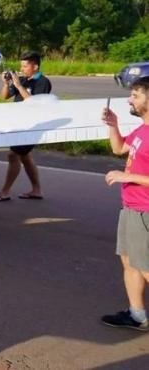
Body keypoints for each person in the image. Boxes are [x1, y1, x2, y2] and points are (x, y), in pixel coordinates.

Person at [102, 77, 149, 331]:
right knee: (129, 262)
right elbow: (119, 148)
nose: (130, 100)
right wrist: (113, 125)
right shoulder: (142, 130)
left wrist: (127, 176)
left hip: (146, 211)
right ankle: (137, 315)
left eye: (136, 95)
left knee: (145, 266)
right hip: (131, 208)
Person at [0, 51, 52, 202]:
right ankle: (36, 190)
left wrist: (17, 84)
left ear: (35, 66)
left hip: (33, 126)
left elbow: (34, 103)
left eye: (25, 65)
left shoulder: (43, 82)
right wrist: (6, 83)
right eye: (21, 65)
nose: (22, 69)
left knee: (13, 155)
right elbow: (4, 96)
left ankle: (5, 191)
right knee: (25, 156)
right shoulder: (22, 80)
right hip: (19, 125)